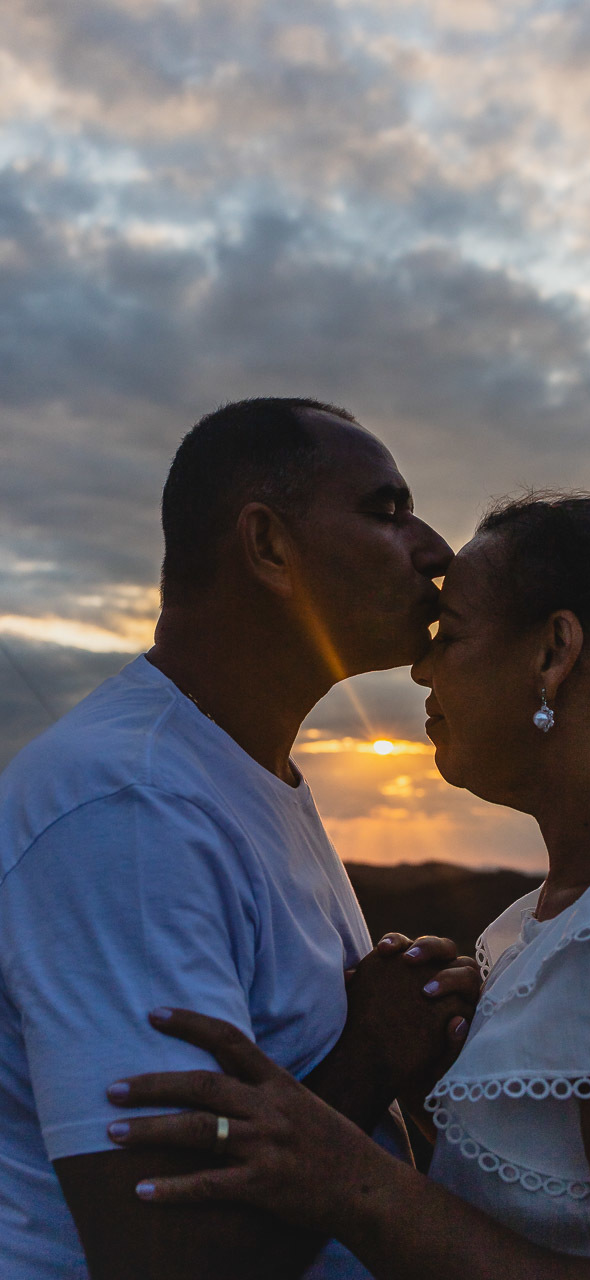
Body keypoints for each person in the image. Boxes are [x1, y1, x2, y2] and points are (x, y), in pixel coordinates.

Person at [107, 494, 590, 1279]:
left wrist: (352, 1183)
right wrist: (445, 1095)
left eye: (450, 635)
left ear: (551, 652)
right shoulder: (589, 901)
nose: (423, 669)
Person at [0, 397, 482, 1280]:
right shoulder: (129, 805)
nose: (435, 551)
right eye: (385, 510)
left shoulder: (241, 775)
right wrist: (375, 1048)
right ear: (266, 546)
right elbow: (165, 1256)